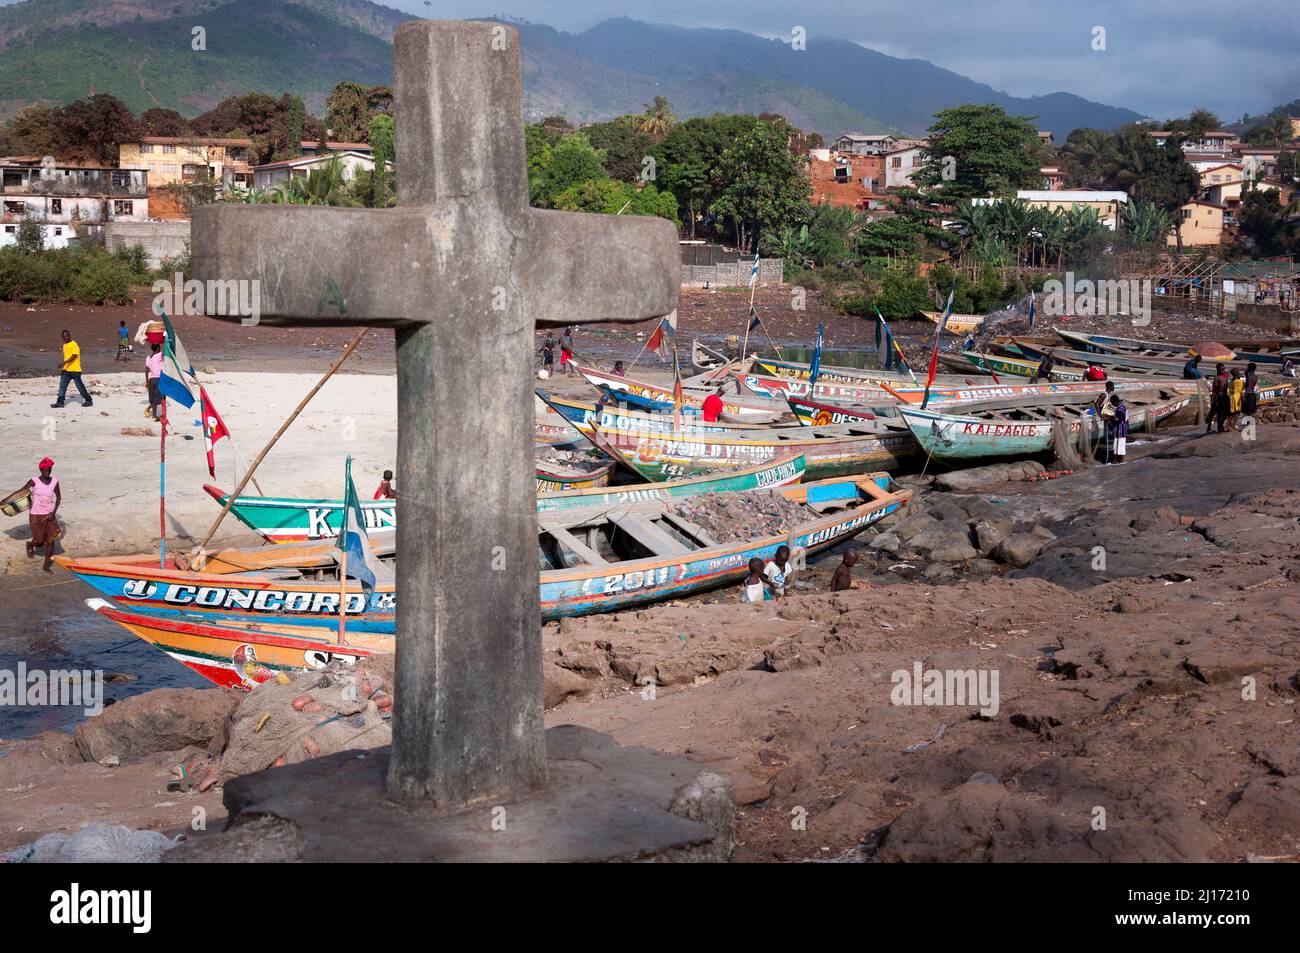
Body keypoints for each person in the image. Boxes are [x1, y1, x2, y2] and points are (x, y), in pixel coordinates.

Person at [22, 457, 61, 572]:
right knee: (39, 541)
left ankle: (46, 566)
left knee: (51, 540)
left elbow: (58, 497)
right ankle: (30, 544)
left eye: (49, 469)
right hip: (36, 515)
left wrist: (53, 513)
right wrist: (5, 502)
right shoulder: (34, 481)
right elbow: (21, 492)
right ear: (41, 470)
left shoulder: (55, 481)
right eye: (45, 470)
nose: (48, 472)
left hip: (49, 514)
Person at [51, 329, 92, 408]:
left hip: (75, 370)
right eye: (64, 336)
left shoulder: (74, 344)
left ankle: (88, 400)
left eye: (67, 335)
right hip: (66, 370)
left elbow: (74, 356)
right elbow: (67, 354)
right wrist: (64, 364)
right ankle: (60, 402)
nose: (66, 337)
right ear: (62, 337)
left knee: (80, 386)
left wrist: (63, 363)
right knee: (62, 386)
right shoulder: (64, 345)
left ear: (70, 335)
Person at [1106, 393, 1128, 464]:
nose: (1113, 405)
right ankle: (1120, 459)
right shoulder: (1123, 406)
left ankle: (1116, 460)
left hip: (1120, 429)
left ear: (1115, 402)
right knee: (1121, 445)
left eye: (1112, 403)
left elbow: (1119, 419)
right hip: (1123, 429)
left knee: (1117, 445)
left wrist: (1109, 420)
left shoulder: (1120, 409)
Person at [145, 342, 164, 420]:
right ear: (158, 349)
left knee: (152, 398)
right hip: (157, 379)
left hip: (151, 379)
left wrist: (146, 381)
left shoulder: (148, 357)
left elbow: (146, 370)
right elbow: (166, 350)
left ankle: (152, 413)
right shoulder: (159, 355)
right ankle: (155, 415)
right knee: (157, 398)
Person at [1208, 362, 1229, 434]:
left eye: (1223, 368)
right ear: (1218, 370)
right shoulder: (1217, 378)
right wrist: (1216, 399)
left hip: (1225, 396)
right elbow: (1215, 389)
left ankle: (1220, 426)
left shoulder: (1224, 377)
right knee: (1218, 413)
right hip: (1219, 397)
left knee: (1226, 412)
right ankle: (1218, 427)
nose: (1223, 370)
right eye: (1221, 369)